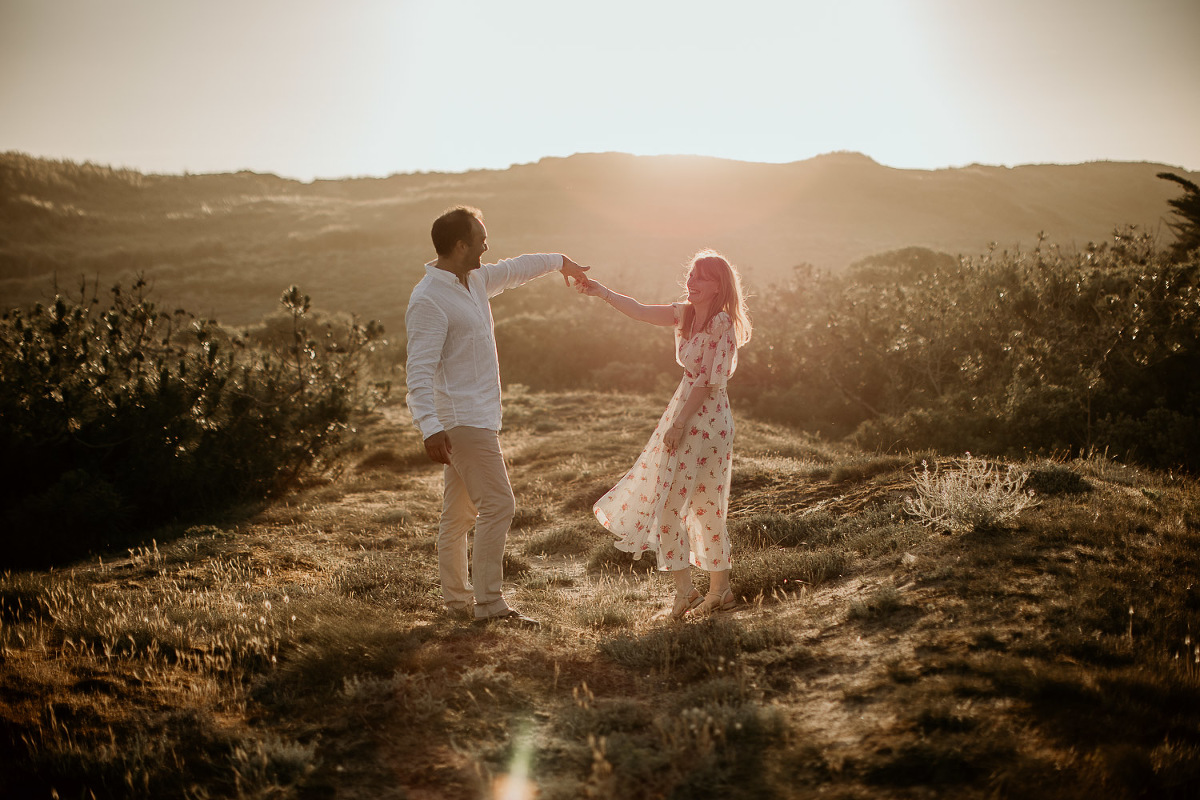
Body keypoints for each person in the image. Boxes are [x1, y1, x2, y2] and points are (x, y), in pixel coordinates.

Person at [405, 206, 589, 627]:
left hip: (479, 417)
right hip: (461, 420)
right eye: (481, 239)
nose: (488, 245)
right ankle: (489, 604)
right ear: (459, 245)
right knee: (499, 505)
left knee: (459, 516)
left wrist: (561, 262)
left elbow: (519, 267)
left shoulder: (476, 280)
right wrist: (429, 427)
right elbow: (417, 370)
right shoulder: (428, 300)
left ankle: (456, 603)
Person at [578, 250, 751, 619]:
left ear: (719, 285)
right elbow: (639, 310)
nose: (692, 282)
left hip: (703, 418)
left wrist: (679, 423)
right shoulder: (684, 314)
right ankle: (714, 593)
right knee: (692, 505)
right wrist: (601, 291)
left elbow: (708, 381)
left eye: (702, 277)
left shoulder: (722, 323)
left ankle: (696, 593)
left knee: (678, 507)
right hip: (689, 411)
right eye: (691, 275)